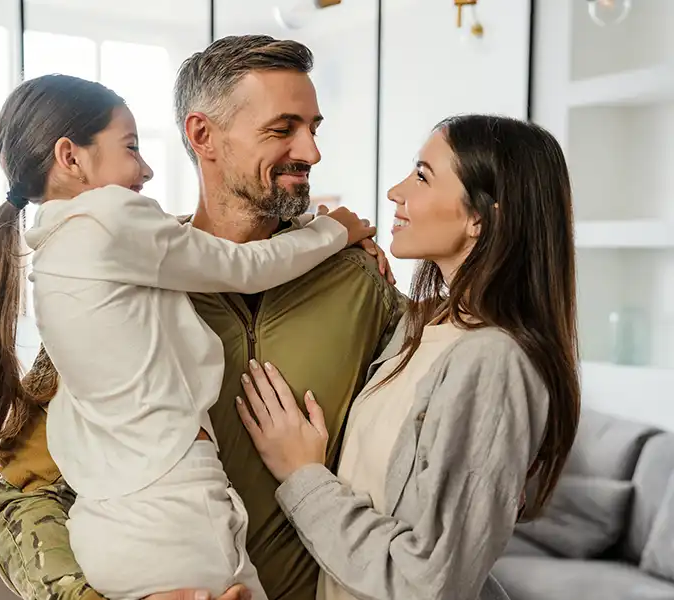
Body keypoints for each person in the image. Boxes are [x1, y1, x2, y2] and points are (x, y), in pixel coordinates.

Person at [0, 35, 405, 600]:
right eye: (282, 129)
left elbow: (438, 447)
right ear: (202, 135)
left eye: (314, 128)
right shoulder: (113, 287)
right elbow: (24, 495)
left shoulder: (358, 282)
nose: (311, 152)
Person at [236, 114, 581, 600]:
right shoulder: (421, 327)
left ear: (480, 218)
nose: (397, 191)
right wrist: (334, 250)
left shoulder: (494, 361)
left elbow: (431, 581)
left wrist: (301, 476)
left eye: (422, 176)